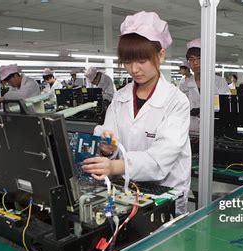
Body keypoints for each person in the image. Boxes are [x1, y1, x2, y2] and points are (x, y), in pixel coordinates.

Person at [81, 11, 191, 214]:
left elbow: (160, 159)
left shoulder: (176, 101)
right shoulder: (120, 97)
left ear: (160, 55)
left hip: (165, 192)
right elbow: (110, 137)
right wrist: (106, 147)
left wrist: (114, 167)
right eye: (128, 61)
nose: (134, 69)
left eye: (141, 61)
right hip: (128, 188)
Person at [180, 38, 230, 133]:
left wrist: (204, 110)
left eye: (199, 58)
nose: (195, 63)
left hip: (213, 131)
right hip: (191, 131)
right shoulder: (184, 85)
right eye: (191, 59)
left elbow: (226, 107)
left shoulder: (219, 82)